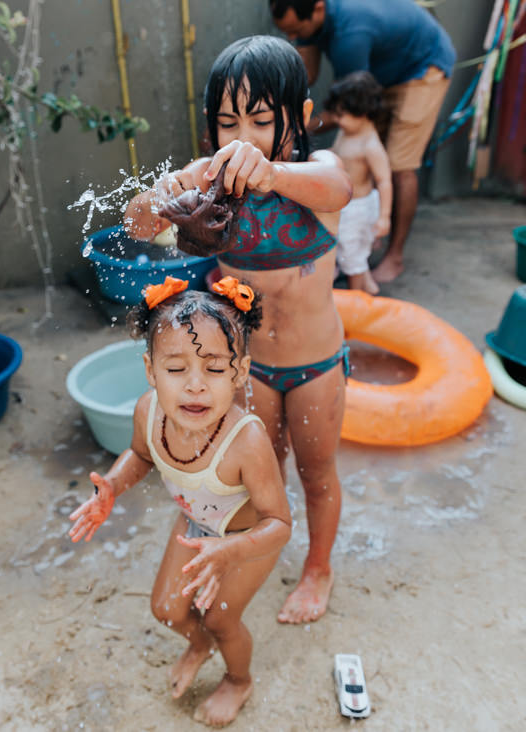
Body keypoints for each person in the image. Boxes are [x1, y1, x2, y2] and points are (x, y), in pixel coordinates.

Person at [124, 35, 353, 626]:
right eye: (228, 123)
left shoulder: (314, 174)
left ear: (300, 118)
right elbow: (139, 223)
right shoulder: (212, 186)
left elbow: (340, 187)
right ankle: (245, 553)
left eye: (260, 120)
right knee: (261, 475)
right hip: (251, 369)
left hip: (315, 365)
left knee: (317, 470)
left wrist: (272, 172)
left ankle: (318, 568)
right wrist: (171, 190)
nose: (243, 138)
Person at [68, 277, 291, 727]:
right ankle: (200, 643)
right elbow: (140, 454)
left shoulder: (246, 441)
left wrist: (231, 552)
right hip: (196, 528)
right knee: (166, 610)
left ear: (241, 372)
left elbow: (280, 523)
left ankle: (238, 678)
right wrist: (112, 486)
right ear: (151, 371)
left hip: (246, 539)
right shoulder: (147, 410)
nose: (195, 386)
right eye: (176, 369)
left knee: (223, 620)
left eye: (213, 368)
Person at [269, 0, 455, 283]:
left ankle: (394, 255)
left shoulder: (350, 36)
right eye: (288, 34)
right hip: (382, 70)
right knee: (359, 155)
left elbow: (346, 110)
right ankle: (366, 239)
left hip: (422, 66)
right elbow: (307, 74)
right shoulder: (310, 17)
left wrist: (299, 126)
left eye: (297, 31)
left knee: (399, 165)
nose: (293, 39)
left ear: (318, 8)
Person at [325, 71, 392, 295]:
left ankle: (357, 297)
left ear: (362, 113)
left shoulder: (370, 145)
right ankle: (368, 285)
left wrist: (384, 217)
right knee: (349, 247)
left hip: (359, 209)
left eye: (342, 115)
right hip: (345, 205)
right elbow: (337, 153)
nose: (337, 120)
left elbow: (384, 181)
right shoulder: (346, 133)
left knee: (352, 253)